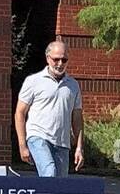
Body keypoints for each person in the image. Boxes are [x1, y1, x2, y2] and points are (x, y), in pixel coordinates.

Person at [15, 38, 84, 175]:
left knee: (59, 186)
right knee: (49, 172)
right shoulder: (34, 81)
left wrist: (79, 147)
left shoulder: (73, 85)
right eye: (56, 59)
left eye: (64, 60)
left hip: (62, 143)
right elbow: (20, 113)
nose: (60, 64)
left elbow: (77, 119)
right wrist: (23, 145)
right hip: (38, 137)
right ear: (48, 58)